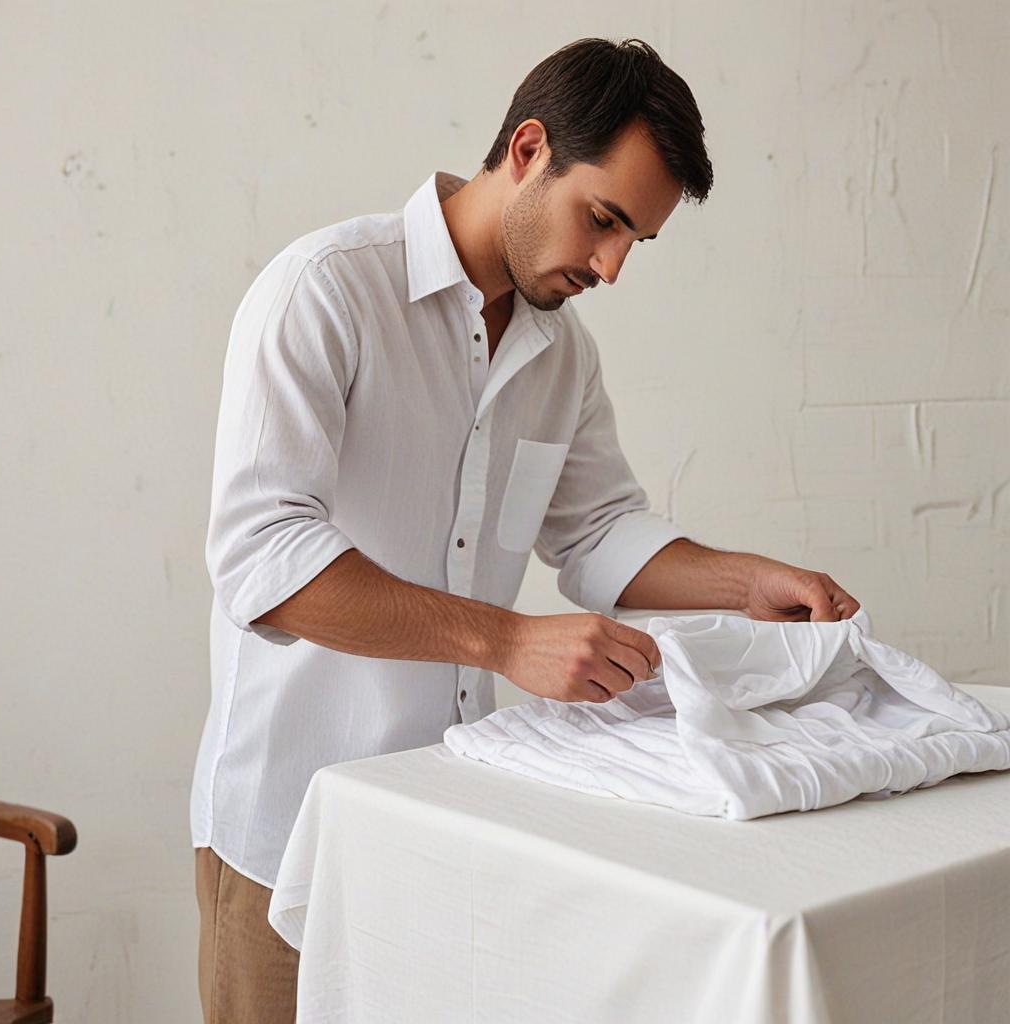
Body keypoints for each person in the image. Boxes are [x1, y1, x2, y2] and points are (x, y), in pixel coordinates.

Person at [190, 35, 859, 1024]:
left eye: (636, 240)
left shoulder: (561, 356)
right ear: (529, 148)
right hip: (289, 836)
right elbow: (263, 561)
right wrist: (507, 639)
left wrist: (740, 582)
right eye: (605, 219)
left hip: (463, 830)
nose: (613, 265)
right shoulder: (325, 291)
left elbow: (594, 532)